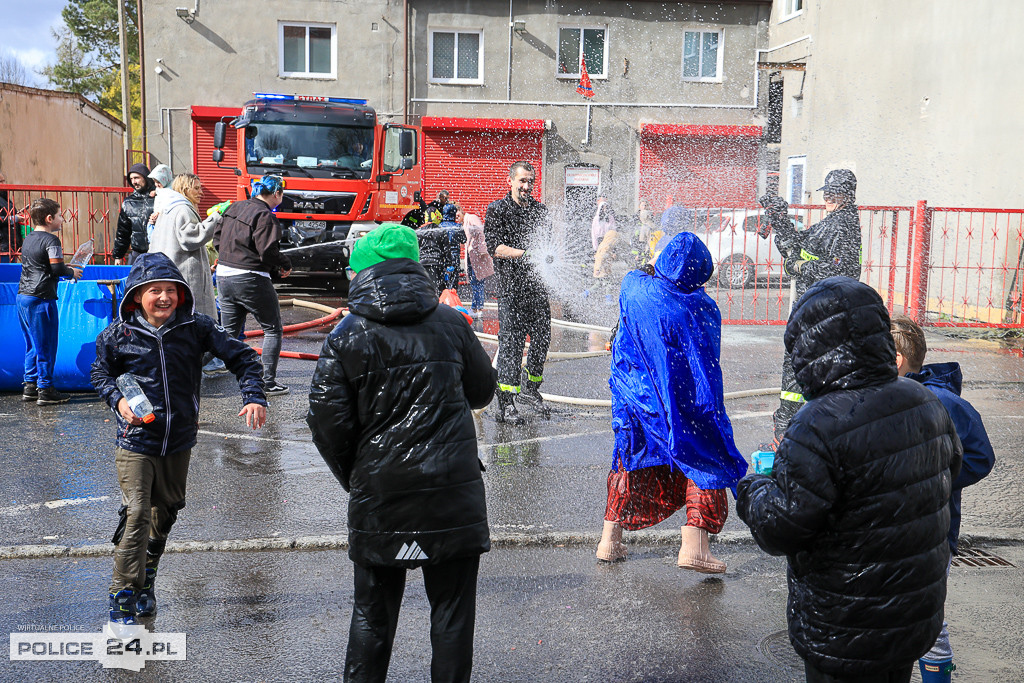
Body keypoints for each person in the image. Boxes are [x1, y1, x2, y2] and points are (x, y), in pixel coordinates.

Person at [736, 276, 963, 683]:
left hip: (847, 624)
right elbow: (949, 475)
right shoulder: (925, 401)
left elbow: (781, 528)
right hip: (910, 614)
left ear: (812, 348)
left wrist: (752, 488)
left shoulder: (819, 423)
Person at [307, 224, 495, 682]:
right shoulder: (452, 323)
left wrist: (358, 475)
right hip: (452, 490)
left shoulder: (348, 333)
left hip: (381, 492)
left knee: (373, 614)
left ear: (364, 270)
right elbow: (483, 391)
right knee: (452, 617)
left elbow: (326, 423)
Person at [92, 252, 266, 625]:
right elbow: (100, 374)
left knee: (164, 513)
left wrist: (253, 396)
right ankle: (121, 596)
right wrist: (118, 400)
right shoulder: (117, 336)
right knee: (136, 513)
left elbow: (244, 358)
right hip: (135, 441)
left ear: (181, 294)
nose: (164, 297)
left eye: (170, 290)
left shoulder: (197, 327)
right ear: (137, 296)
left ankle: (146, 581)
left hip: (180, 440)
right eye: (154, 290)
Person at [597, 233, 748, 571]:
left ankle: (609, 541)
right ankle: (694, 546)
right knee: (704, 453)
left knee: (629, 457)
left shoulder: (632, 285)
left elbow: (640, 276)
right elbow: (705, 363)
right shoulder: (699, 307)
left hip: (632, 395)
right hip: (676, 403)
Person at [890, 314, 995, 683]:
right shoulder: (899, 396)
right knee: (902, 613)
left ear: (898, 359)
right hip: (904, 530)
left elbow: (981, 457)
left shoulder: (941, 400)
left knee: (926, 616)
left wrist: (934, 481)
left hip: (933, 532)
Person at [758, 169, 862, 449]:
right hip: (816, 310)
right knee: (803, 368)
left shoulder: (843, 226)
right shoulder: (835, 222)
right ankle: (796, 427)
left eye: (834, 192)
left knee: (800, 368)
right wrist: (780, 220)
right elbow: (797, 246)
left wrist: (801, 267)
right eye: (826, 191)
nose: (827, 196)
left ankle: (791, 431)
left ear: (847, 195)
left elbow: (843, 270)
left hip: (822, 312)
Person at [212, 174, 293, 396]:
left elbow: (217, 239)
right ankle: (268, 382)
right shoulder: (265, 215)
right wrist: (284, 264)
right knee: (273, 329)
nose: (282, 197)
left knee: (227, 333)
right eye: (282, 193)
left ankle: (194, 366)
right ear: (276, 193)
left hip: (224, 276)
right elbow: (267, 251)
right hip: (251, 278)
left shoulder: (235, 207)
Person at [484, 160, 552, 424]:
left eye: (530, 181)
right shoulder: (497, 210)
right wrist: (526, 254)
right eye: (522, 181)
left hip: (536, 288)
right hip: (511, 289)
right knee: (511, 346)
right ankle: (506, 403)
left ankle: (531, 388)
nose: (526, 186)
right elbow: (495, 247)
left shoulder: (540, 211)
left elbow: (547, 244)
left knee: (542, 338)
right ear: (510, 181)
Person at [17, 198, 82, 405]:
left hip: (23, 296)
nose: (63, 219)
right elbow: (56, 269)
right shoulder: (52, 240)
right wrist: (72, 271)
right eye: (60, 215)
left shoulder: (28, 238)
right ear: (49, 218)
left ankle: (29, 385)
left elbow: (41, 264)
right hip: (41, 298)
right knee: (46, 344)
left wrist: (64, 265)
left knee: (31, 344)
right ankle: (45, 389)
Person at [148, 173, 222, 320]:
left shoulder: (167, 208)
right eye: (196, 188)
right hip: (185, 277)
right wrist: (216, 218)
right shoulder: (183, 209)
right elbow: (191, 237)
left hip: (170, 274)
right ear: (185, 189)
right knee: (193, 320)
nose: (201, 193)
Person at [112, 163, 156, 265]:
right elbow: (122, 232)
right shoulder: (128, 203)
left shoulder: (159, 197)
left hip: (158, 253)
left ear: (146, 178)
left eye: (136, 178)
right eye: (131, 179)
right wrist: (118, 256)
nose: (134, 182)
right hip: (137, 255)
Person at [458, 204, 493, 318]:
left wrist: (481, 249)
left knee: (478, 281)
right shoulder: (464, 223)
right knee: (474, 282)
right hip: (471, 255)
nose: (456, 217)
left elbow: (481, 231)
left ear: (461, 211)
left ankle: (478, 308)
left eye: (457, 214)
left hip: (477, 255)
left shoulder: (471, 218)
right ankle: (475, 307)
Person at [415, 205, 447, 296]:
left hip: (422, 263)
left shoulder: (419, 231)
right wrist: (449, 263)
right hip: (436, 263)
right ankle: (437, 307)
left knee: (424, 287)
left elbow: (416, 249)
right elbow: (446, 250)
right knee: (437, 289)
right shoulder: (441, 231)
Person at [438, 203, 467, 291]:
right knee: (453, 282)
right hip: (454, 257)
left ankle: (443, 301)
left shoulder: (439, 227)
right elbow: (464, 240)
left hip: (442, 257)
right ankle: (453, 301)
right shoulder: (458, 227)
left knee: (442, 282)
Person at [0, 169, 25, 262]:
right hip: (3, 246)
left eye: (4, 180)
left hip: (11, 245)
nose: (4, 183)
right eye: (0, 181)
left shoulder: (5, 197)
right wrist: (14, 218)